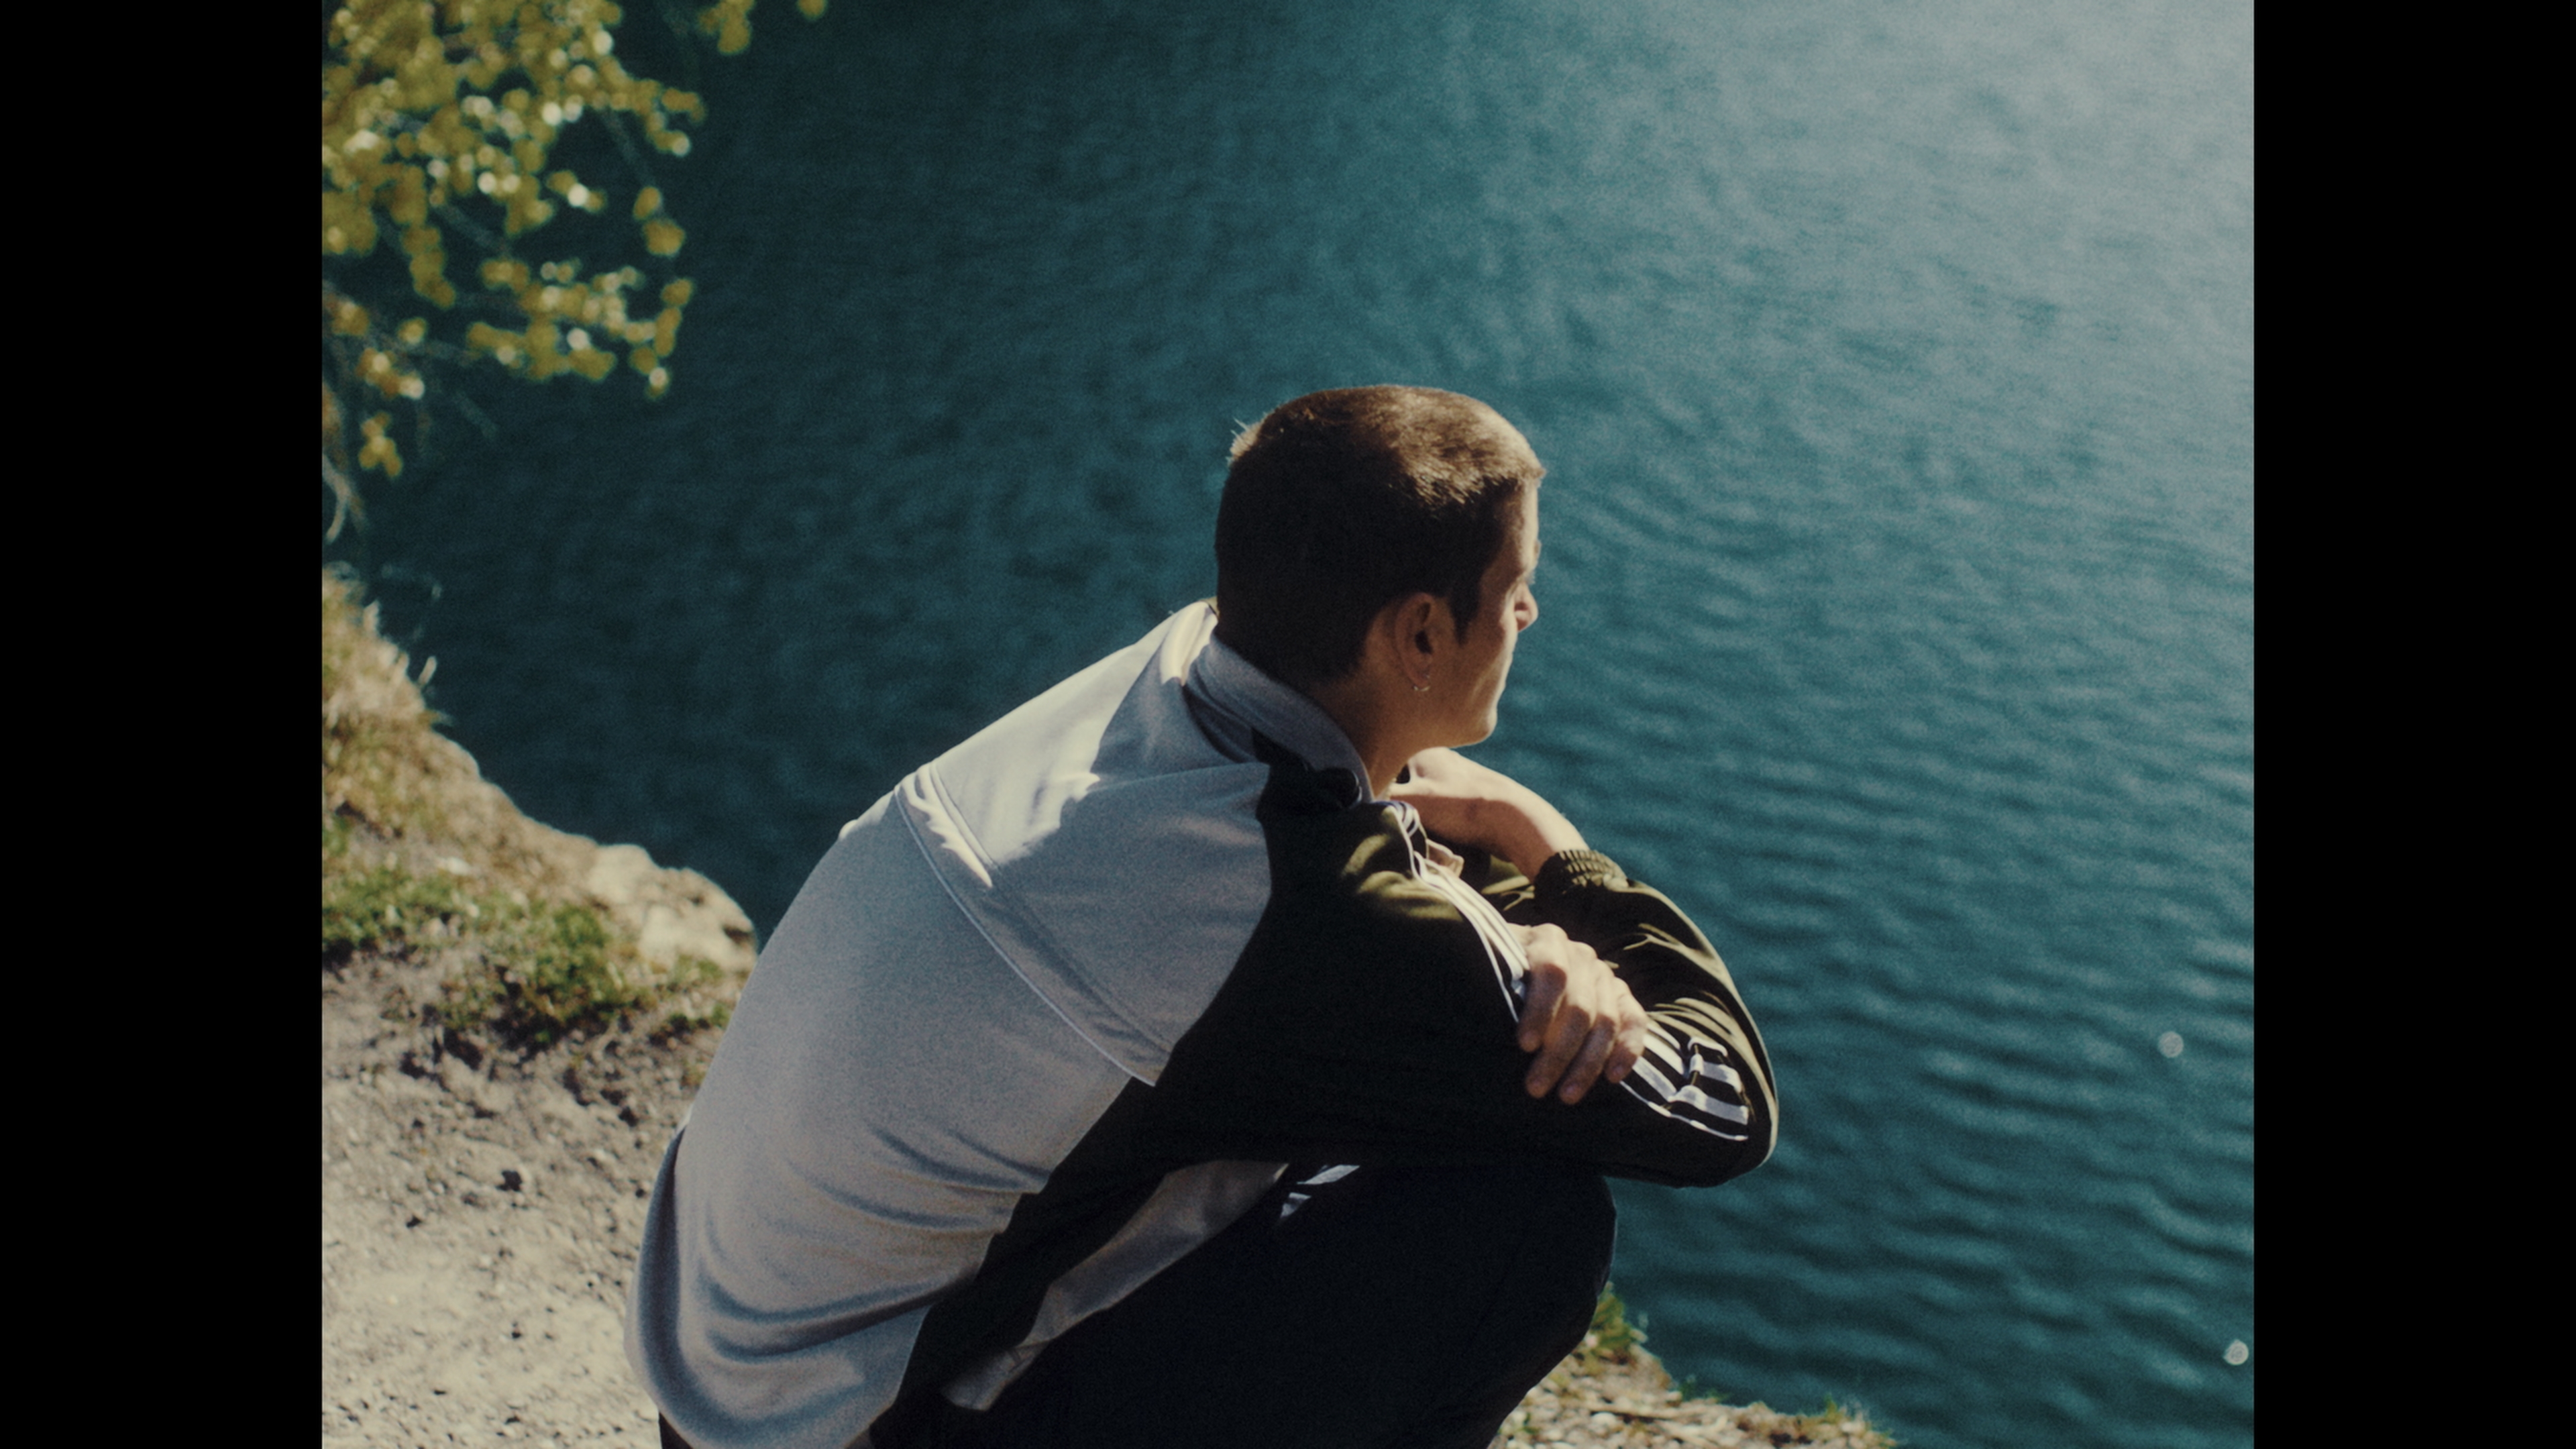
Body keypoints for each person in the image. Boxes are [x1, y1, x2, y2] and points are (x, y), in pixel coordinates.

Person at [627, 386, 1777, 1449]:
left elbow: (1365, 873)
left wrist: (1481, 913)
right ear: (1422, 634)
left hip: (714, 1375)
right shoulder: (1292, 902)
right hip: (837, 1432)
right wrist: (1546, 846)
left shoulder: (1169, 679)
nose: (1532, 609)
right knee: (1525, 1225)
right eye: (1515, 583)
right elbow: (1723, 1108)